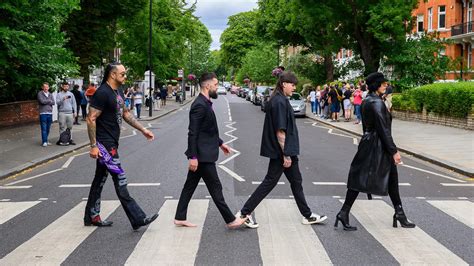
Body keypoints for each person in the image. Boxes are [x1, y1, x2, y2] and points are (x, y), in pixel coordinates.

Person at [235, 71, 327, 228]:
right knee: (270, 182)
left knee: (296, 181)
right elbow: (280, 131)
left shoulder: (280, 99)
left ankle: (307, 215)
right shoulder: (279, 102)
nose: (294, 87)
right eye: (292, 84)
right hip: (282, 152)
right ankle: (244, 213)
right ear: (284, 84)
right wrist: (286, 154)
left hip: (287, 151)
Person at [335, 72, 415, 231]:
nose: (386, 86)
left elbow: (367, 128)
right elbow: (384, 130)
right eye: (384, 84)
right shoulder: (377, 103)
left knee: (390, 179)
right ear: (376, 85)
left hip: (369, 143)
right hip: (377, 146)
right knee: (361, 178)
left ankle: (399, 213)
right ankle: (343, 212)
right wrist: (394, 151)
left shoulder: (367, 101)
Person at [84, 62, 158, 230]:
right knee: (120, 178)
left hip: (111, 142)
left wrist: (143, 129)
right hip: (105, 145)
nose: (125, 76)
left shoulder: (116, 91)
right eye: (123, 74)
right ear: (112, 74)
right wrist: (94, 145)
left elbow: (125, 113)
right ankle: (137, 218)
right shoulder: (102, 93)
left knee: (100, 180)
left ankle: (91, 215)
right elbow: (91, 118)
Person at [174, 72, 246, 229]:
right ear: (207, 86)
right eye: (215, 85)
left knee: (189, 186)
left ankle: (180, 217)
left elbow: (208, 130)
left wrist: (221, 143)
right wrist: (192, 156)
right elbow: (193, 132)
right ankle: (230, 220)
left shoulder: (205, 103)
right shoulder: (199, 105)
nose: (217, 88)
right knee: (216, 188)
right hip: (202, 156)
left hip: (203, 153)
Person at [56, 81, 77, 145]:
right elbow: (57, 103)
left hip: (70, 113)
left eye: (67, 86)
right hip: (62, 113)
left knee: (70, 127)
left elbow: (74, 103)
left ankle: (70, 139)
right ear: (62, 87)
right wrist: (63, 99)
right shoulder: (59, 94)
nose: (66, 87)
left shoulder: (71, 94)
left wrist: (75, 111)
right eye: (65, 86)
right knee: (62, 126)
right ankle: (62, 140)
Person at [37, 82, 55, 147]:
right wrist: (49, 101)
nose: (46, 88)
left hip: (50, 113)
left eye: (47, 87)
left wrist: (47, 101)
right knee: (44, 128)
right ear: (42, 87)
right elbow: (42, 101)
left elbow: (53, 102)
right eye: (44, 87)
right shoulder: (40, 93)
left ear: (48, 87)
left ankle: (46, 140)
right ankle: (44, 142)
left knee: (48, 128)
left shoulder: (50, 94)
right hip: (43, 113)